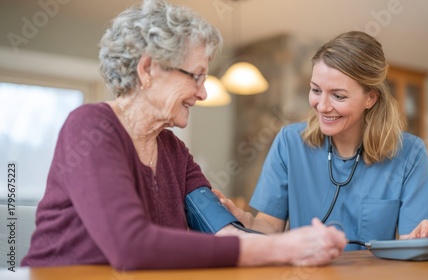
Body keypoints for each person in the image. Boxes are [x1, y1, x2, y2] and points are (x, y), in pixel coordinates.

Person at [21, 0, 347, 270]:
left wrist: (301, 246)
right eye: (196, 76)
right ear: (148, 69)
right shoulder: (91, 127)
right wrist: (281, 248)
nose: (203, 93)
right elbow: (131, 247)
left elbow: (223, 232)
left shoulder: (174, 151)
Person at [218, 31, 428, 251]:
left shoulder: (409, 154)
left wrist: (422, 240)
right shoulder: (289, 143)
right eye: (316, 90)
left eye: (338, 96)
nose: (323, 106)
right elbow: (270, 227)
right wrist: (245, 220)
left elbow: (412, 242)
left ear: (370, 98)